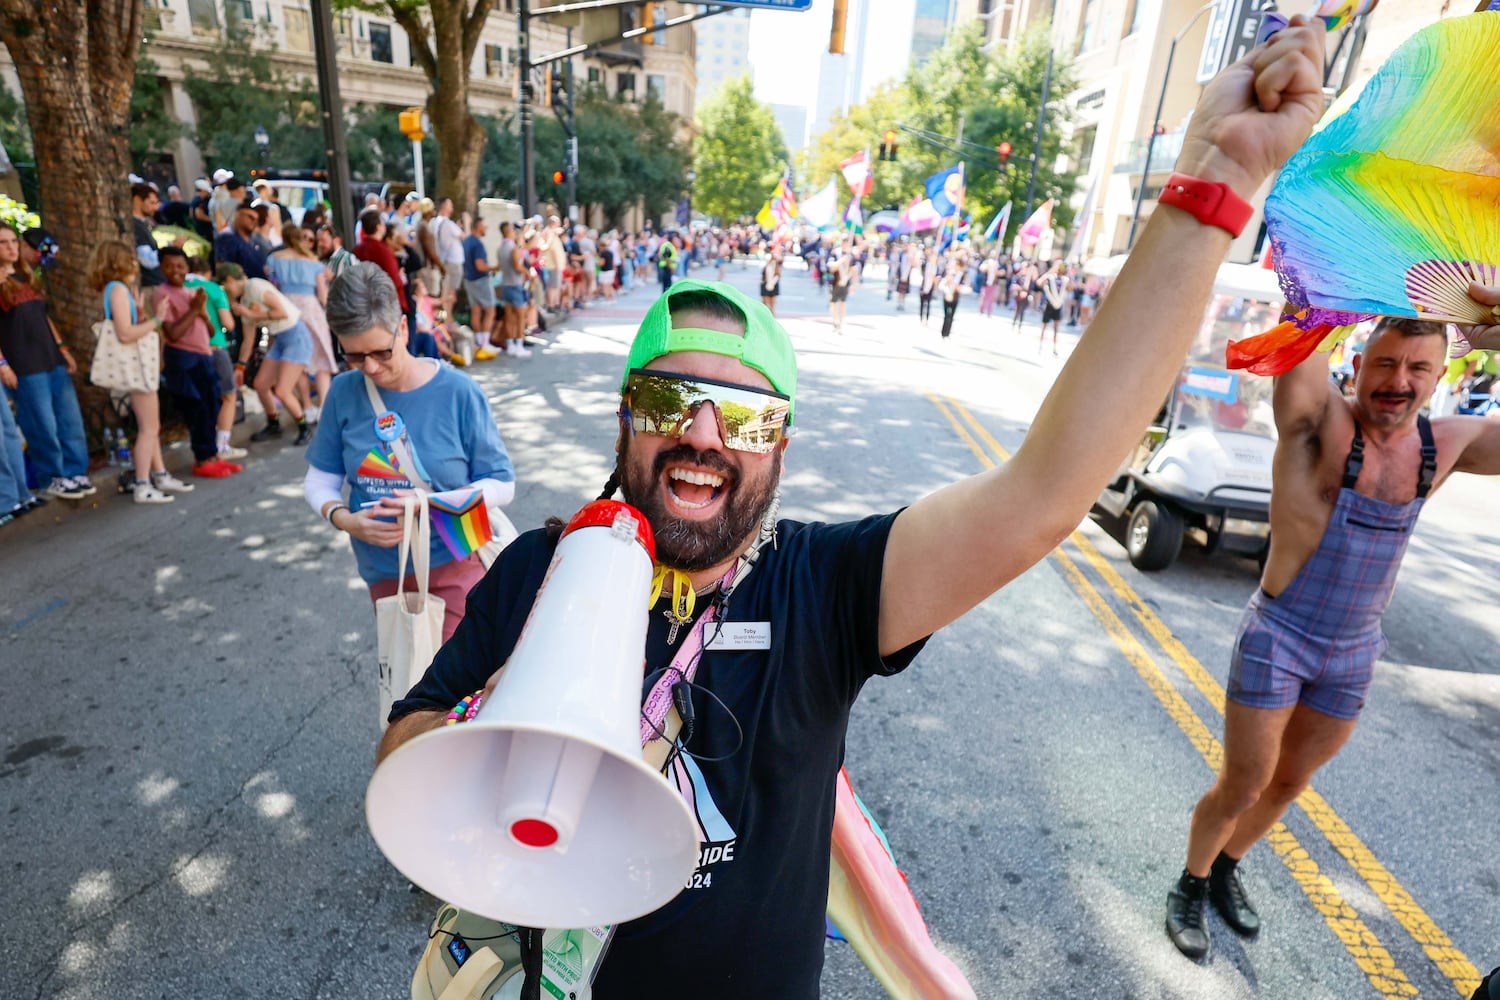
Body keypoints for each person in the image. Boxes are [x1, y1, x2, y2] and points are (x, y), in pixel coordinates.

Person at [376, 22, 1337, 993]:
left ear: (781, 444)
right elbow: (407, 740)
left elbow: (1043, 492)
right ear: (628, 420)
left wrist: (1213, 188)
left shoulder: (823, 590)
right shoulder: (539, 574)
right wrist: (509, 726)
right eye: (670, 401)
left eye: (746, 415)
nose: (705, 434)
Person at [1163, 302, 1500, 962]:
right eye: (1385, 362)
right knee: (1245, 782)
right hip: (1280, 634)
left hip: (1353, 651)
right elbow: (1297, 365)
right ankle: (1190, 883)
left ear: (1440, 377)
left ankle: (1229, 865)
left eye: (1417, 367)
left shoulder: (1446, 445)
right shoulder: (1322, 423)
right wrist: (1321, 296)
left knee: (1290, 784)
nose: (1398, 379)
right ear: (1359, 363)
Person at [303, 262, 516, 642]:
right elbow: (321, 479)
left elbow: (502, 485)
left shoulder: (458, 392)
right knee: (409, 684)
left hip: (457, 561)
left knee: (457, 691)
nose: (369, 367)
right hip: (386, 572)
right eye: (353, 356)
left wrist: (432, 503)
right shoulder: (343, 393)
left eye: (380, 352)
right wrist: (343, 519)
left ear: (403, 328)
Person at [0, 222, 95, 500]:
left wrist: (63, 348)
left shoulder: (24, 277)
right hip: (24, 364)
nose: (11, 247)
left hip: (50, 357)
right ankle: (52, 475)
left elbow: (43, 316)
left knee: (69, 419)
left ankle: (76, 471)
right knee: (42, 424)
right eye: (3, 243)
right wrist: (3, 365)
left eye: (13, 242)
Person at [88, 240, 181, 503]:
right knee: (149, 427)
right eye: (129, 258)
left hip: (136, 366)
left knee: (150, 425)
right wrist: (157, 319)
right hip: (135, 367)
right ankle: (143, 483)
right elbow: (126, 333)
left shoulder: (117, 290)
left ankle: (159, 474)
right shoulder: (117, 290)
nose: (135, 263)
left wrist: (141, 312)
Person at [155, 247, 242, 479]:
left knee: (213, 403)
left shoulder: (191, 292)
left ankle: (213, 456)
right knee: (197, 409)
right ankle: (202, 459)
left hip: (204, 354)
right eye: (170, 266)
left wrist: (202, 312)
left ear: (187, 268)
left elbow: (212, 329)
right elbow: (173, 333)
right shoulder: (161, 293)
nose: (176, 271)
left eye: (180, 266)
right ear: (161, 268)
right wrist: (194, 311)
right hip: (183, 358)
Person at [221, 263, 315, 445]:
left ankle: (304, 428)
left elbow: (281, 312)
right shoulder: (244, 302)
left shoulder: (255, 286)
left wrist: (249, 313)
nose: (226, 292)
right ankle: (274, 424)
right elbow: (248, 341)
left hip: (296, 336)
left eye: (225, 287)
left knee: (282, 390)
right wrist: (240, 367)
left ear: (231, 281)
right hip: (280, 340)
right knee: (261, 384)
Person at [267, 224, 338, 413]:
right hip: (311, 309)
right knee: (322, 360)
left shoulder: (273, 260)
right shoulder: (314, 263)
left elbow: (272, 287)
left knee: (297, 360)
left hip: (287, 309)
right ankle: (324, 406)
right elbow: (323, 296)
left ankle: (306, 405)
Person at [185, 253, 247, 462]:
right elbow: (228, 324)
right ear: (208, 272)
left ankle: (207, 445)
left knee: (203, 398)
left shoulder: (179, 288)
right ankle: (222, 444)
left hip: (188, 349)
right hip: (215, 346)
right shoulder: (213, 289)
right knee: (228, 395)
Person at [494, 221, 532, 359]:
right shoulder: (512, 248)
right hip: (515, 284)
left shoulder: (500, 248)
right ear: (509, 231)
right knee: (521, 318)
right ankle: (519, 345)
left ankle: (510, 345)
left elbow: (500, 267)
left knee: (509, 317)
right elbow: (517, 266)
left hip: (505, 284)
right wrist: (527, 272)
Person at [461, 218, 497, 359]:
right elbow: (480, 266)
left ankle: (478, 342)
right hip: (480, 280)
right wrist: (495, 268)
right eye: (485, 227)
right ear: (478, 227)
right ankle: (484, 343)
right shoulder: (477, 244)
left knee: (476, 310)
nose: (486, 230)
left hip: (469, 279)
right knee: (490, 310)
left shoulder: (467, 241)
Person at [214, 200, 269, 281]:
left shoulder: (253, 240)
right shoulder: (227, 237)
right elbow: (222, 266)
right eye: (250, 217)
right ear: (238, 215)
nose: (254, 222)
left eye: (256, 220)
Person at [1038, 260, 1067, 354]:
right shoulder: (1050, 278)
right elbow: (1039, 282)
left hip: (1058, 306)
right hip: (1049, 305)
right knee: (1044, 326)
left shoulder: (1065, 280)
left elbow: (1071, 287)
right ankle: (1040, 345)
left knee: (1056, 328)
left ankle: (1054, 348)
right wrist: (1051, 271)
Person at [828, 247, 852, 334]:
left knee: (843, 303)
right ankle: (835, 321)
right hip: (834, 283)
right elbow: (831, 268)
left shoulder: (850, 256)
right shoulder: (834, 254)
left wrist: (855, 284)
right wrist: (841, 261)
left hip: (845, 283)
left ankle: (841, 322)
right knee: (833, 303)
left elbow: (854, 269)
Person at [938, 258, 963, 339]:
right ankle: (943, 332)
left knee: (951, 316)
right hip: (947, 296)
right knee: (946, 315)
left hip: (955, 297)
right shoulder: (949, 274)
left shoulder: (961, 276)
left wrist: (956, 286)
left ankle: (947, 333)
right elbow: (942, 284)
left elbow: (961, 287)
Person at [758, 250, 782, 315]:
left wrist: (772, 282)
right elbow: (762, 275)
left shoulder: (776, 265)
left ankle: (772, 317)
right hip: (765, 285)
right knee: (765, 304)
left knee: (772, 305)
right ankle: (765, 316)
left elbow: (778, 275)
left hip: (773, 285)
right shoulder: (764, 265)